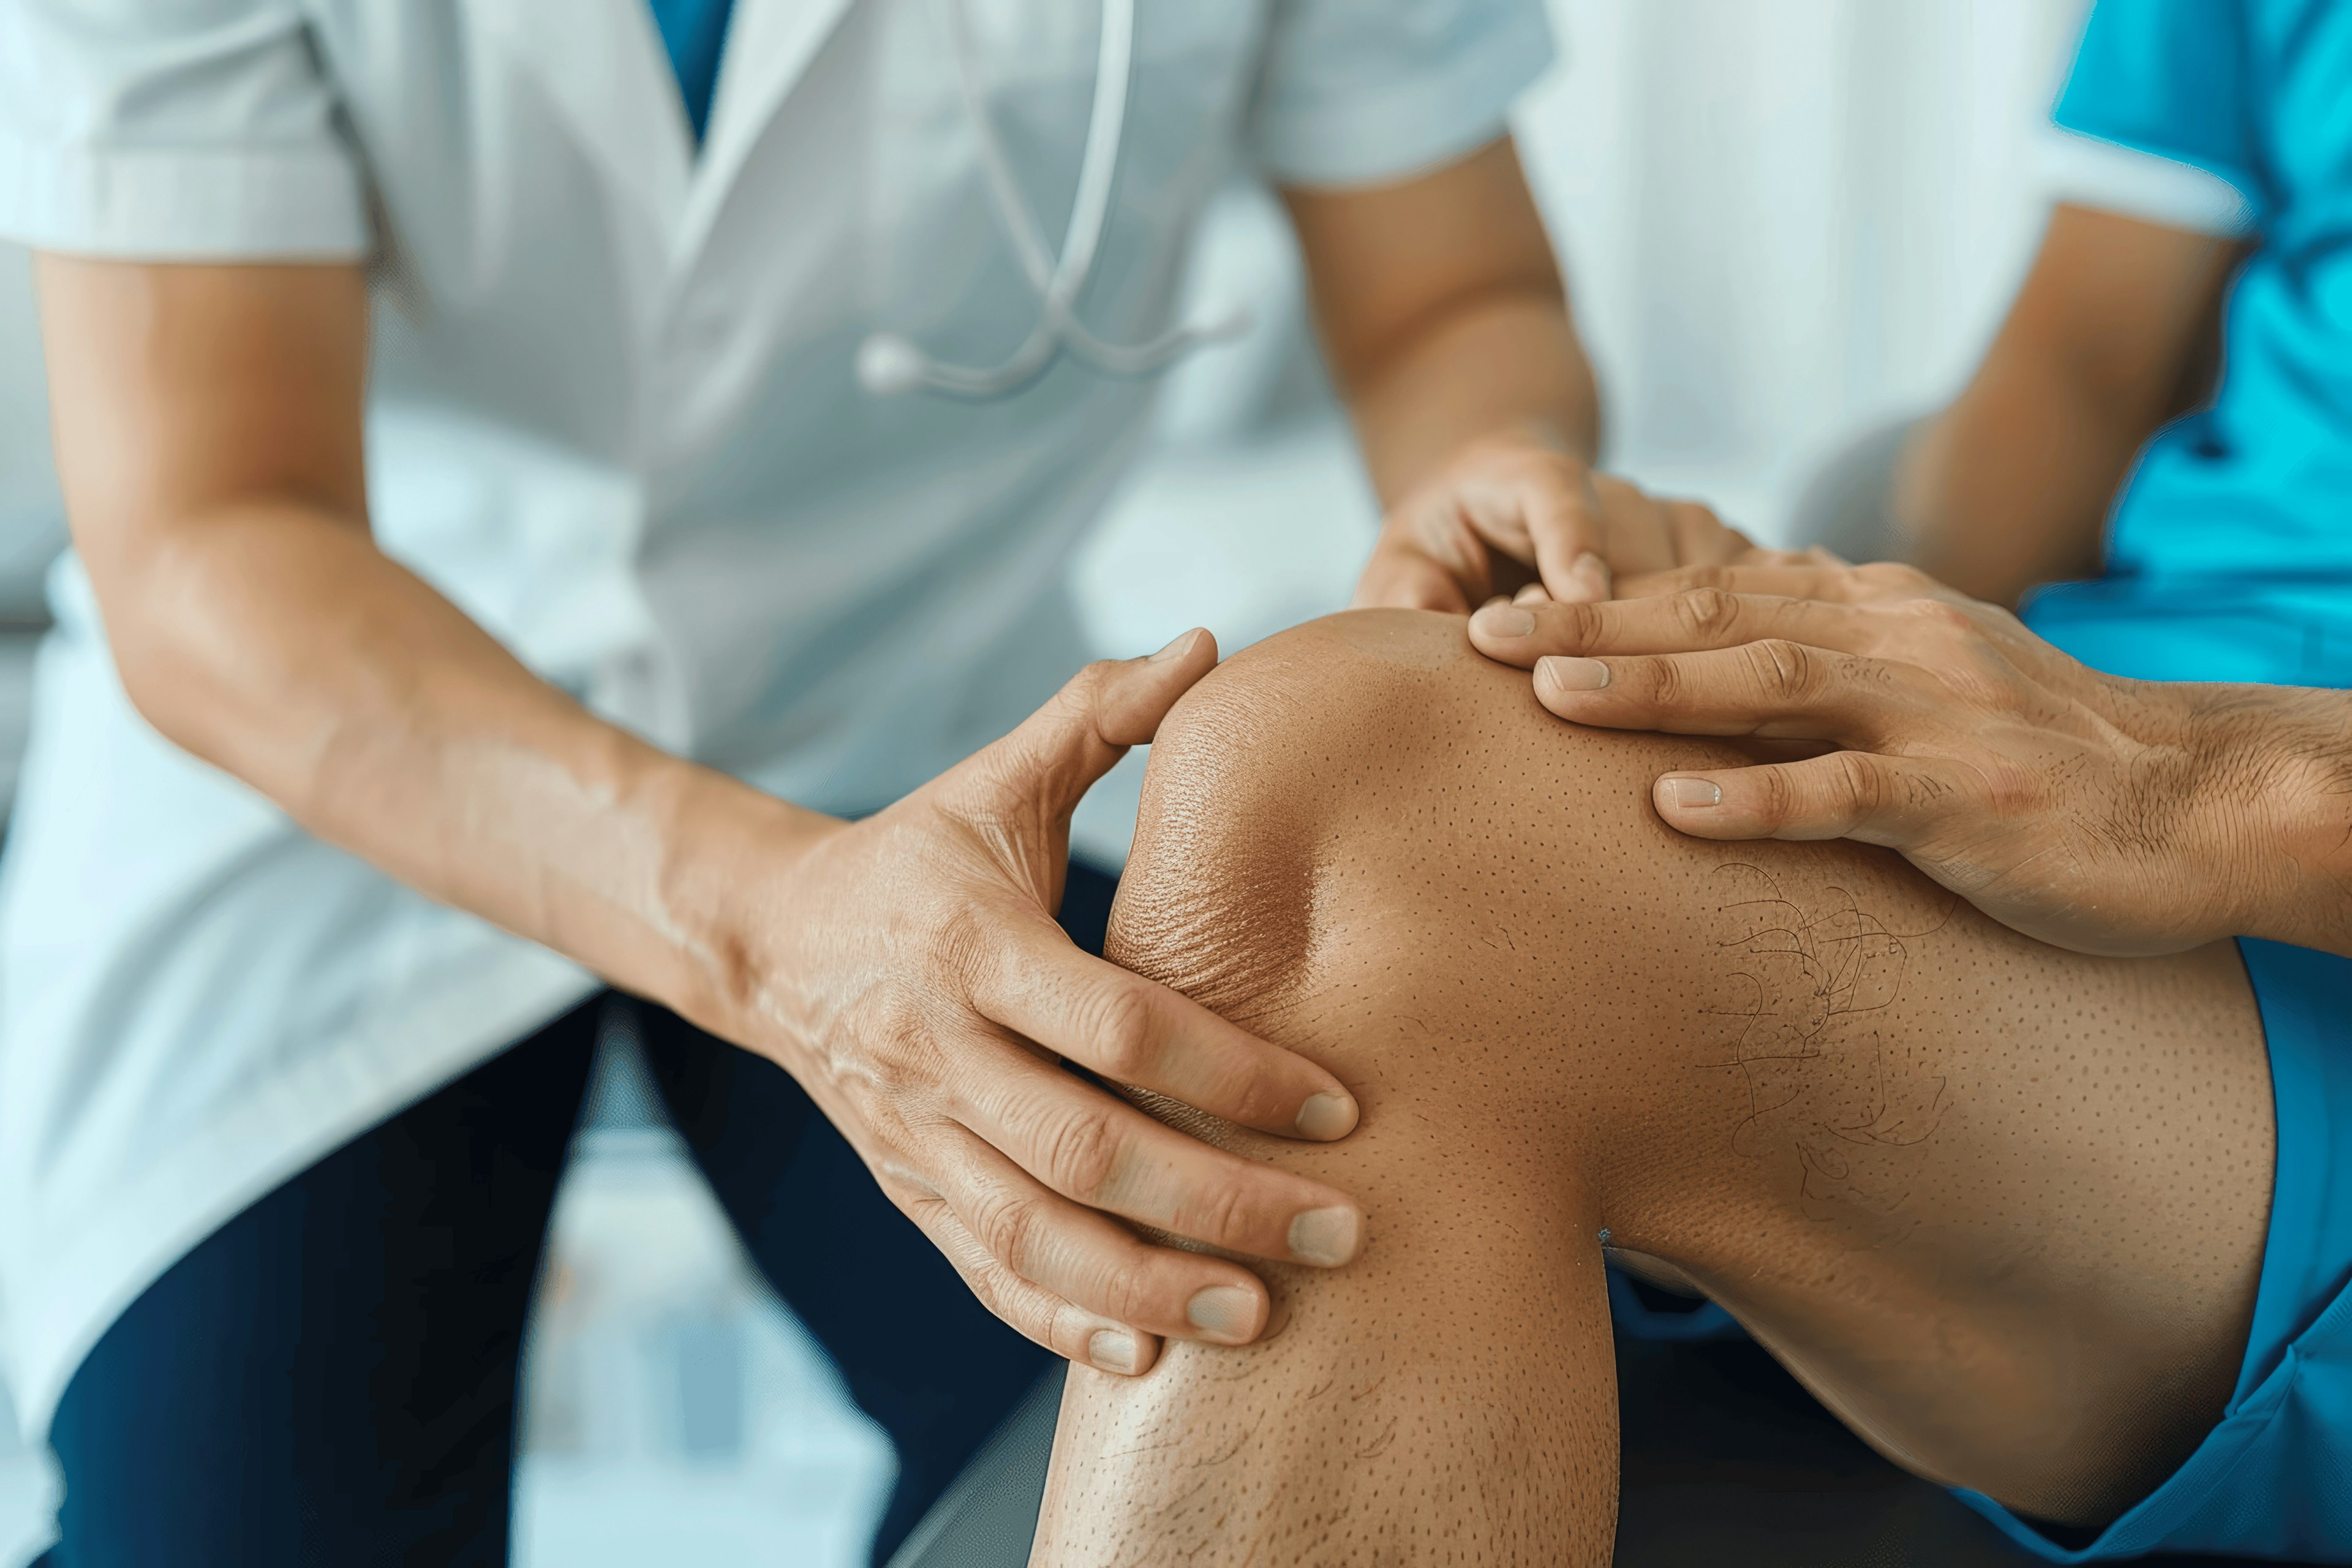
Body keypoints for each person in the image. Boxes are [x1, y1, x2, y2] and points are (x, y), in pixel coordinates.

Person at [0, 1, 1766, 1562]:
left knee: (1281, 1382)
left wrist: (1488, 461)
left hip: (934, 733)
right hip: (343, 763)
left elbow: (1454, 294)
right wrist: (764, 926)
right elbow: (212, 530)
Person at [1026, 1, 2352, 1562]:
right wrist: (1813, 641)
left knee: (1328, 783)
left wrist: (2233, 788)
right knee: (1367, 763)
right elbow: (2079, 369)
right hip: (2128, 711)